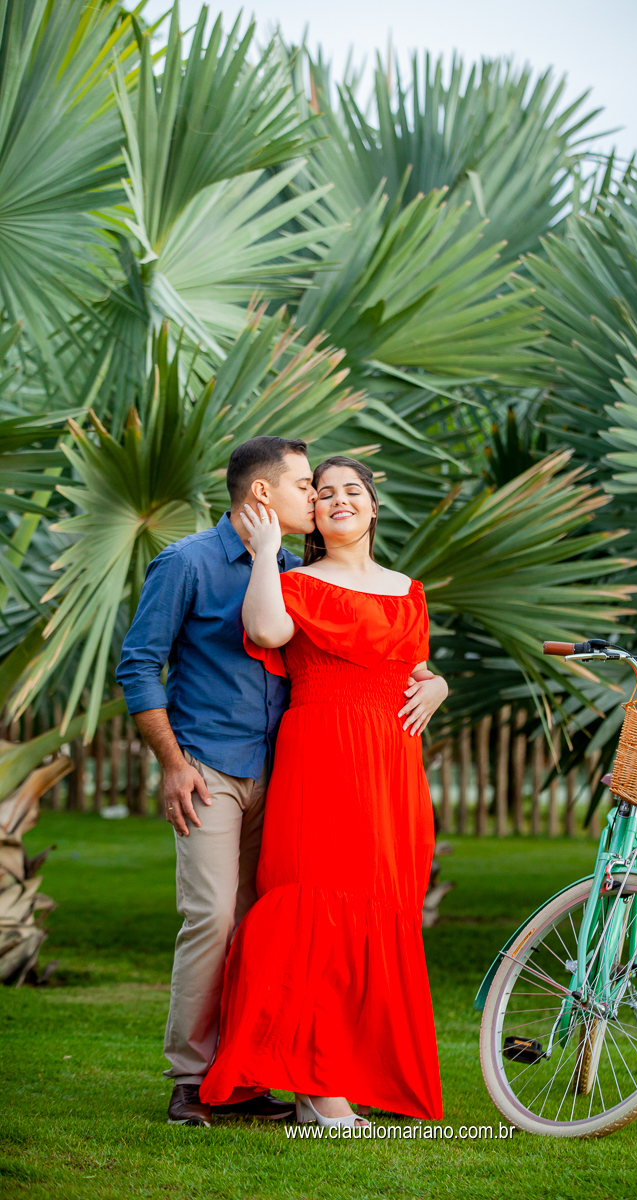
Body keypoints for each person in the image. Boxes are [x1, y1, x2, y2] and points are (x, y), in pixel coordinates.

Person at [199, 456, 448, 1126]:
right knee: (315, 907)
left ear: (373, 506)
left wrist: (440, 684)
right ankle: (318, 1089)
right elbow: (265, 632)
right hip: (322, 755)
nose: (338, 499)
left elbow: (414, 668)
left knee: (379, 909)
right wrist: (264, 552)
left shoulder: (408, 590)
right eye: (324, 492)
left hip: (393, 765)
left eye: (352, 490)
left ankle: (355, 1074)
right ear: (311, 514)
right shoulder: (295, 581)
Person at [116, 436, 316, 1128]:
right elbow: (139, 664)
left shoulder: (296, 572)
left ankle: (243, 1075)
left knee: (261, 925)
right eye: (303, 484)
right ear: (262, 491)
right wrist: (173, 763)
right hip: (207, 768)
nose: (314, 496)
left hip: (282, 775)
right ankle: (189, 1078)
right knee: (212, 916)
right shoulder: (186, 563)